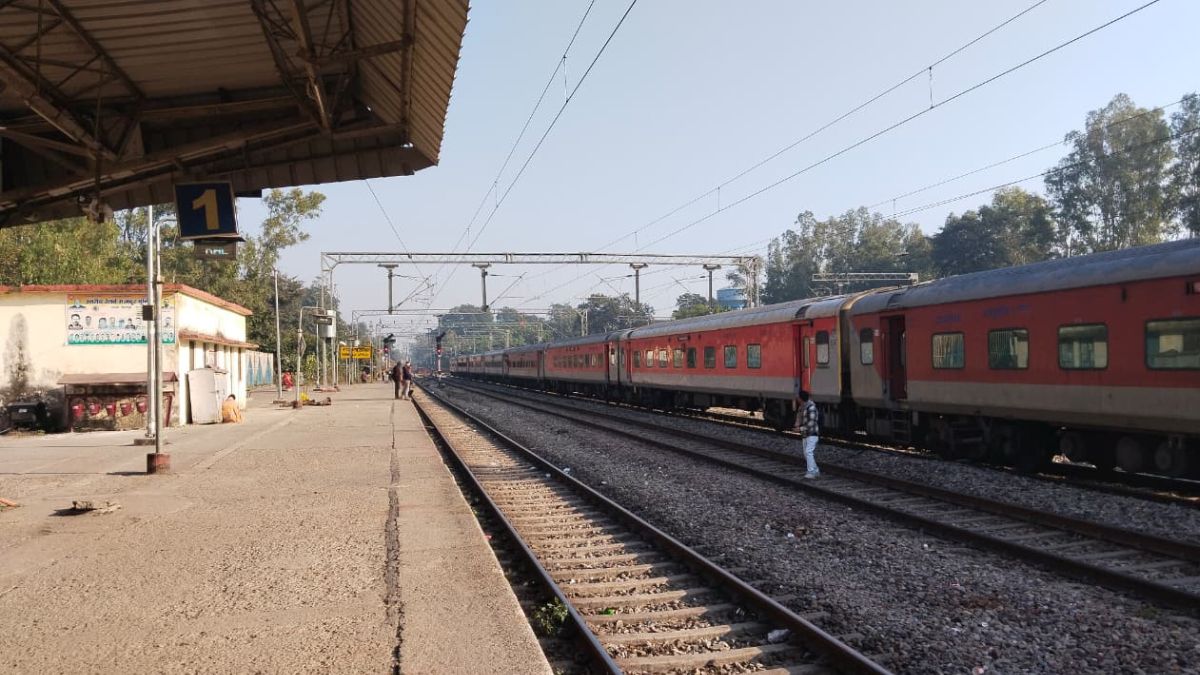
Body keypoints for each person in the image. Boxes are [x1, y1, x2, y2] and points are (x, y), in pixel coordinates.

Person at [794, 390, 820, 478]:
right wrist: (797, 423)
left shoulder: (811, 407)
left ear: (801, 399)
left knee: (808, 452)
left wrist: (800, 429)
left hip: (812, 434)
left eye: (798, 398)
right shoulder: (803, 407)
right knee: (806, 453)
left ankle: (811, 472)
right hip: (806, 434)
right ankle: (815, 470)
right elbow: (799, 416)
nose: (797, 399)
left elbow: (811, 423)